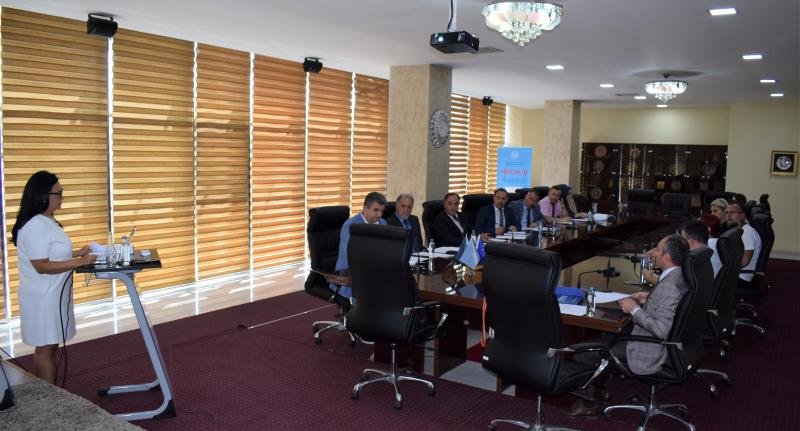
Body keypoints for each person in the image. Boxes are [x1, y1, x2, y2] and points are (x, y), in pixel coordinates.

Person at [567, 234, 690, 416]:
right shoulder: (679, 275)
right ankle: (602, 385)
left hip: (651, 348)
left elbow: (661, 330)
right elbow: (668, 306)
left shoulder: (669, 287)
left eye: (657, 249)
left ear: (667, 256)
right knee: (607, 334)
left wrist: (634, 309)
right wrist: (649, 298)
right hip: (667, 343)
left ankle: (588, 403)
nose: (654, 253)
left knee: (585, 352)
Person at [11, 171, 97, 384]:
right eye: (58, 193)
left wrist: (77, 253)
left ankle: (46, 392)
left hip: (53, 295)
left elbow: (50, 253)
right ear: (42, 195)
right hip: (43, 298)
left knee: (50, 347)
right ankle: (51, 397)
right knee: (45, 350)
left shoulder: (47, 220)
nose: (61, 198)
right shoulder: (34, 226)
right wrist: (78, 262)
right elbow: (41, 265)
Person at [330, 192, 387, 298]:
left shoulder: (383, 223)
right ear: (365, 208)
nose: (379, 215)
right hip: (349, 274)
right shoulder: (351, 226)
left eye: (382, 211)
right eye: (376, 210)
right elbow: (348, 256)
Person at [726, 203, 761, 287]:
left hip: (742, 277)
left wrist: (724, 268)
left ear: (742, 216)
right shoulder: (740, 230)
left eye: (732, 212)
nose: (728, 216)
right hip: (738, 273)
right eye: (727, 212)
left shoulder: (747, 233)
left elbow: (744, 262)